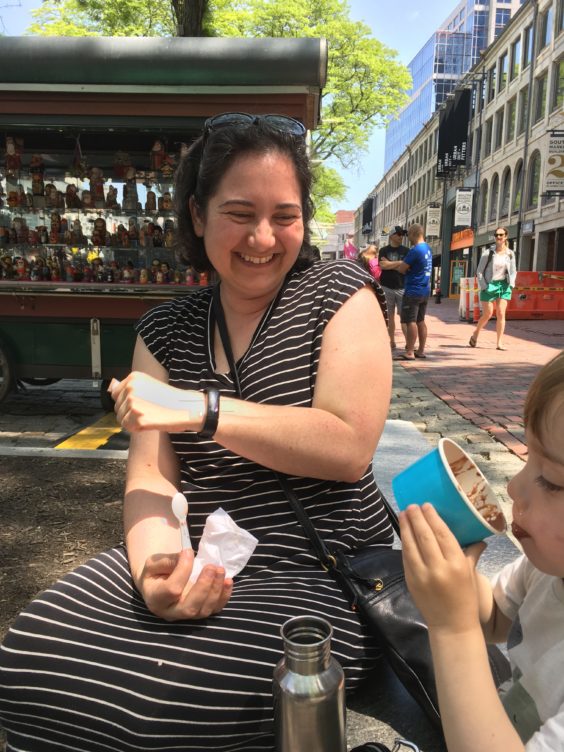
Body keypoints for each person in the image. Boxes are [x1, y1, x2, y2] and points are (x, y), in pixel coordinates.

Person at [0, 113, 393, 752]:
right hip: (199, 554)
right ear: (198, 215)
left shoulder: (340, 294)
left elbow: (346, 446)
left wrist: (200, 408)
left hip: (321, 567)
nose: (263, 238)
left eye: (285, 216)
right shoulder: (164, 330)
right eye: (240, 212)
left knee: (165, 710)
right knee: (24, 662)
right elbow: (151, 477)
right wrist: (156, 571)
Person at [400, 350, 564, 752]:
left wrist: (452, 628)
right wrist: (457, 571)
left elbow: (467, 628)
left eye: (551, 480)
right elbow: (493, 621)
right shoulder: (546, 571)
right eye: (528, 457)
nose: (512, 487)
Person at [382, 223, 432, 360]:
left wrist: (396, 264)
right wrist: (403, 263)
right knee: (421, 320)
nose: (407, 237)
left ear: (414, 234)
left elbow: (402, 269)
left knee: (411, 321)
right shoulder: (427, 248)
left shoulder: (415, 250)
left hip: (413, 290)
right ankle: (421, 350)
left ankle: (410, 351)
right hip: (424, 289)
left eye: (408, 234)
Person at [469, 227, 517, 350]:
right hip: (489, 285)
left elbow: (513, 271)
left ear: (506, 236)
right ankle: (476, 333)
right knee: (488, 314)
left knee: (501, 313)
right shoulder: (488, 253)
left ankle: (499, 342)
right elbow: (479, 271)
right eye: (496, 235)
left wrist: (511, 284)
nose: (499, 237)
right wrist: (484, 286)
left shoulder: (510, 254)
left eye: (501, 235)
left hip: (503, 285)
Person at [378, 226, 409, 350]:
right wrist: (400, 263)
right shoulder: (384, 250)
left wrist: (390, 264)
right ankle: (392, 341)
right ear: (391, 236)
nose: (401, 236)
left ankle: (408, 342)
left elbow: (406, 268)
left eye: (402, 234)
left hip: (402, 287)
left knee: (404, 317)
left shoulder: (407, 251)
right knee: (389, 316)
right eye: (399, 234)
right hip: (387, 286)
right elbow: (382, 265)